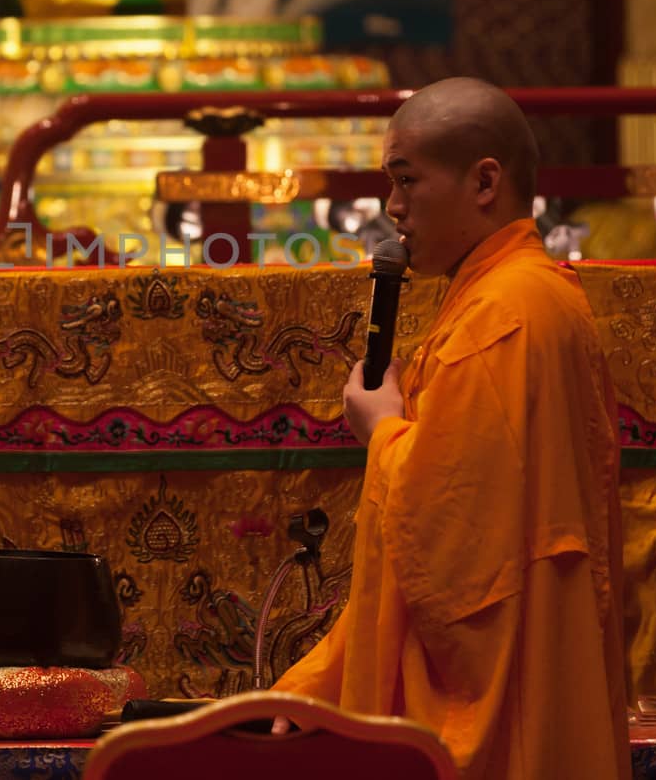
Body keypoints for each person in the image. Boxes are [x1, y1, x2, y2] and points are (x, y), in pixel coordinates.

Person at [270, 77, 631, 780]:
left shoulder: (501, 317)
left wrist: (381, 430)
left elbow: (450, 546)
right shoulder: (528, 295)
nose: (393, 208)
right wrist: (320, 677)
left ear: (485, 181)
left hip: (510, 700)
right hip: (547, 666)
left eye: (407, 181)